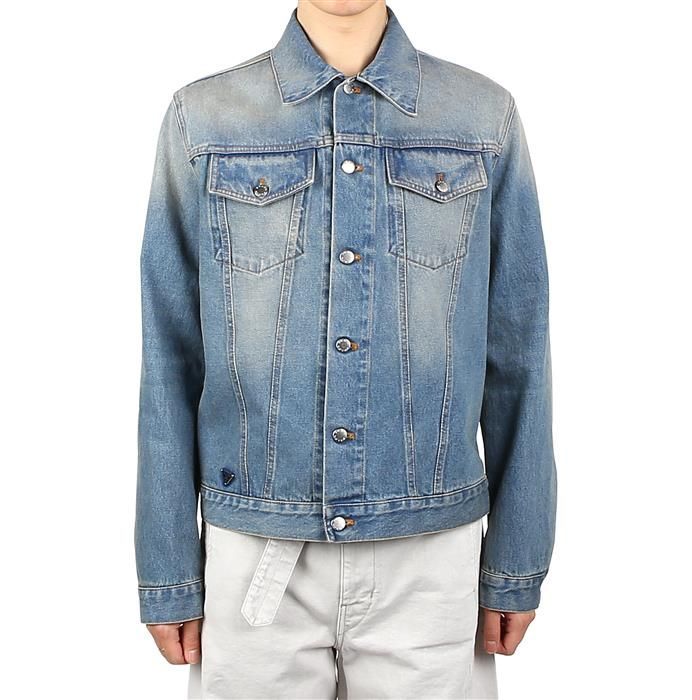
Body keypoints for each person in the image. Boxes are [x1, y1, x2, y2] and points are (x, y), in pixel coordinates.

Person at [134, 1, 557, 698]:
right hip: (256, 553)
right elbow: (170, 358)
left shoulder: (483, 118)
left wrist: (517, 559)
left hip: (430, 557)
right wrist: (167, 571)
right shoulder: (204, 120)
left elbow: (518, 353)